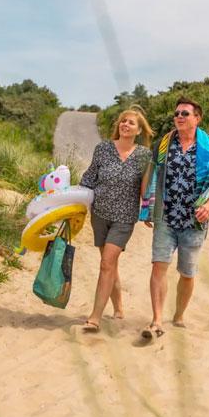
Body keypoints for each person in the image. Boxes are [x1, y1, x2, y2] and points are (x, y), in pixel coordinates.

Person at [140, 97, 209, 339]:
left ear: (197, 118)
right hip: (166, 215)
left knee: (187, 273)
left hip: (194, 219)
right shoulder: (164, 144)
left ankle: (178, 315)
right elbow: (152, 172)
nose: (178, 117)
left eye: (185, 113)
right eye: (176, 113)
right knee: (159, 265)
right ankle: (156, 320)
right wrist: (147, 206)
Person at [77, 107, 154, 332]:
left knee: (106, 264)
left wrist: (148, 212)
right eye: (122, 121)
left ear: (139, 130)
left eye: (130, 123)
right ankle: (118, 306)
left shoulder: (143, 156)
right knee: (109, 265)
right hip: (99, 214)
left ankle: (94, 317)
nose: (125, 125)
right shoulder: (103, 149)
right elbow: (89, 178)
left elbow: (145, 188)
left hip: (124, 217)